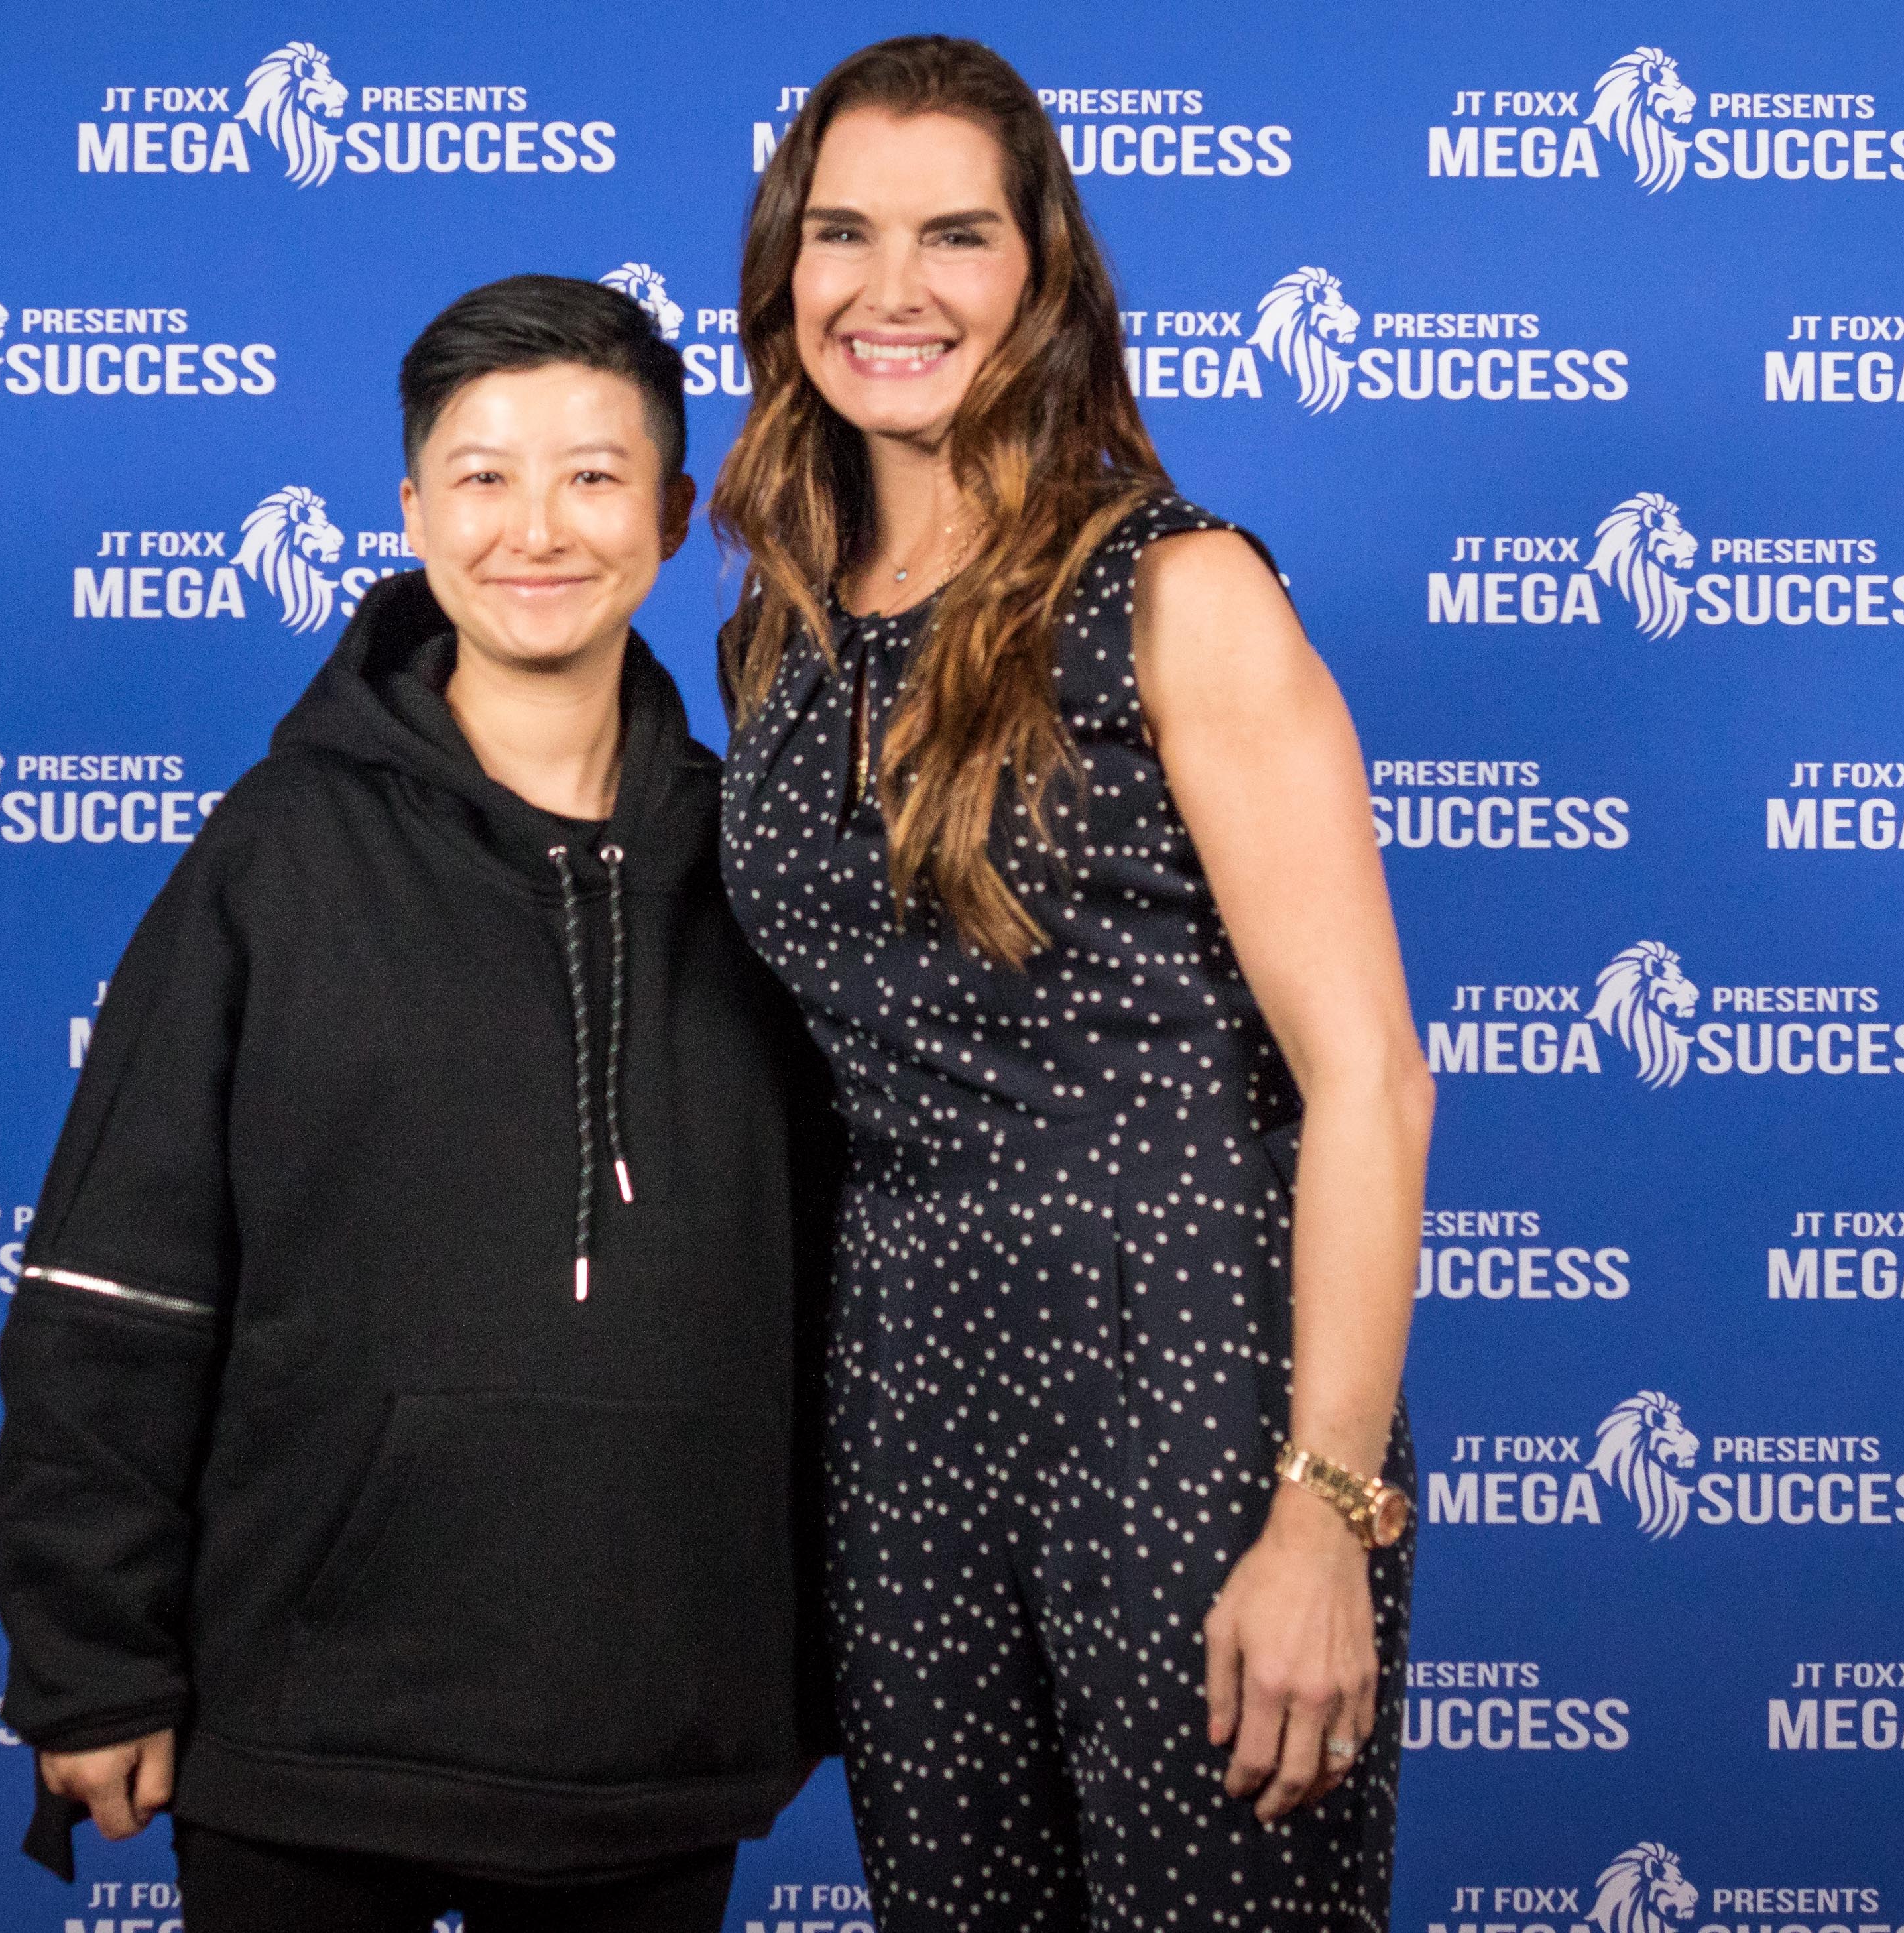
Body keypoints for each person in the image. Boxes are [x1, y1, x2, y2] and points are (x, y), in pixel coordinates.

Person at [0, 275, 831, 1933]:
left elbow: (852, 1298)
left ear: (674, 516)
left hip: (649, 1733)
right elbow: (115, 1287)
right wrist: (91, 1664)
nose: (538, 528)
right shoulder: (276, 855)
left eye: (594, 476)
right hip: (306, 1725)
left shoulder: (768, 871)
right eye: (483, 476)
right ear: (413, 513)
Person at [713, 38, 1429, 1933]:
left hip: (1187, 1380)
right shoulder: (778, 635)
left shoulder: (1178, 591)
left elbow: (1369, 1077)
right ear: (784, 268)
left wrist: (1324, 1507)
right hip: (903, 1405)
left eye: (956, 234)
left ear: (1042, 274)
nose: (893, 288)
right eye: (845, 233)